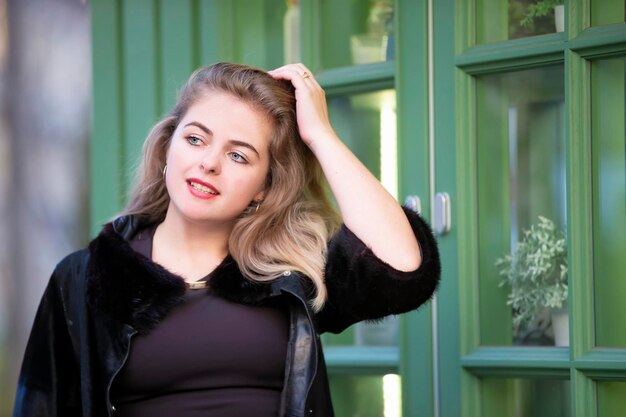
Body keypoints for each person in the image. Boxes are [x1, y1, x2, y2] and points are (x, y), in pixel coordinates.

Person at [13, 62, 440, 417]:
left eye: (239, 155)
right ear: (167, 150)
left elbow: (405, 266)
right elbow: (42, 405)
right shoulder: (89, 277)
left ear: (263, 188)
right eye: (196, 139)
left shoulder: (289, 272)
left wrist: (320, 136)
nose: (209, 163)